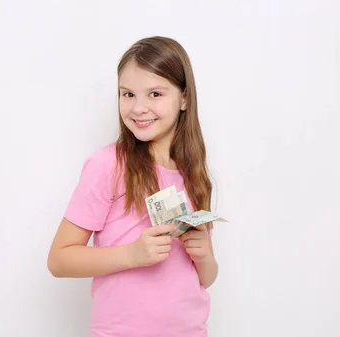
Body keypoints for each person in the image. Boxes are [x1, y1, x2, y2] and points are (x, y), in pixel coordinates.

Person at [47, 36, 218, 337]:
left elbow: (205, 278)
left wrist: (204, 256)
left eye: (154, 93)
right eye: (127, 94)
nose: (139, 108)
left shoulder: (194, 173)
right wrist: (132, 255)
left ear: (184, 99)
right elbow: (59, 260)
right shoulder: (108, 165)